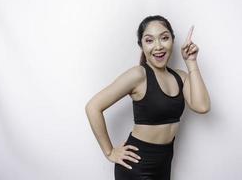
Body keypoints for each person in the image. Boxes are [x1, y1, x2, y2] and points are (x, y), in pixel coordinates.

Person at [85, 15, 211, 180]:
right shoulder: (139, 75)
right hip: (136, 166)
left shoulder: (181, 77)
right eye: (149, 40)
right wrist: (109, 152)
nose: (158, 46)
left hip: (164, 164)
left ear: (173, 41)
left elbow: (202, 106)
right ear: (141, 45)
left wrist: (191, 62)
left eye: (164, 38)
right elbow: (93, 107)